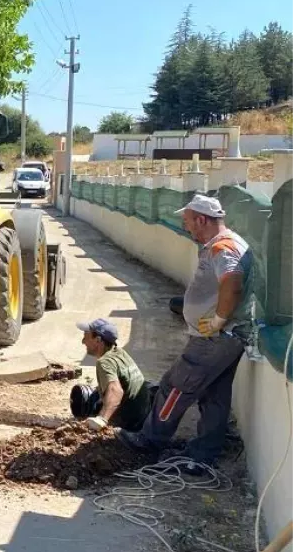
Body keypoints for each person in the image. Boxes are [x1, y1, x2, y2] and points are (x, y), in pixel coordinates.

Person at [119, 194, 252, 466]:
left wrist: (217, 320)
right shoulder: (226, 243)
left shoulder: (223, 248)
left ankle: (151, 440)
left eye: (188, 221)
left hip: (214, 338)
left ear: (202, 219)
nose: (186, 227)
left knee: (176, 386)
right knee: (215, 394)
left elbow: (232, 283)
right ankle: (205, 453)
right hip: (229, 337)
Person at [68, 318, 152, 431]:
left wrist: (102, 419)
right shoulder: (119, 352)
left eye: (86, 337)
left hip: (130, 423)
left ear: (98, 340)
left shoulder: (104, 362)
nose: (83, 341)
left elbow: (116, 390)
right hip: (144, 414)